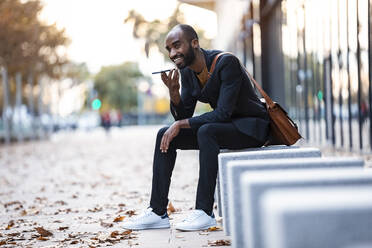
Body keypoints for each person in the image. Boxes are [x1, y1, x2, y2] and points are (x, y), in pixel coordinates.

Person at [122, 24, 270, 231]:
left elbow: (222, 113)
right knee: (165, 134)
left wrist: (180, 123)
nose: (173, 54)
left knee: (206, 130)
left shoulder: (227, 63)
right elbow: (184, 116)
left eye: (176, 46)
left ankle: (204, 212)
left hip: (252, 128)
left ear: (194, 43)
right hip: (225, 128)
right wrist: (174, 94)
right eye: (169, 50)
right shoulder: (188, 73)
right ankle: (157, 212)